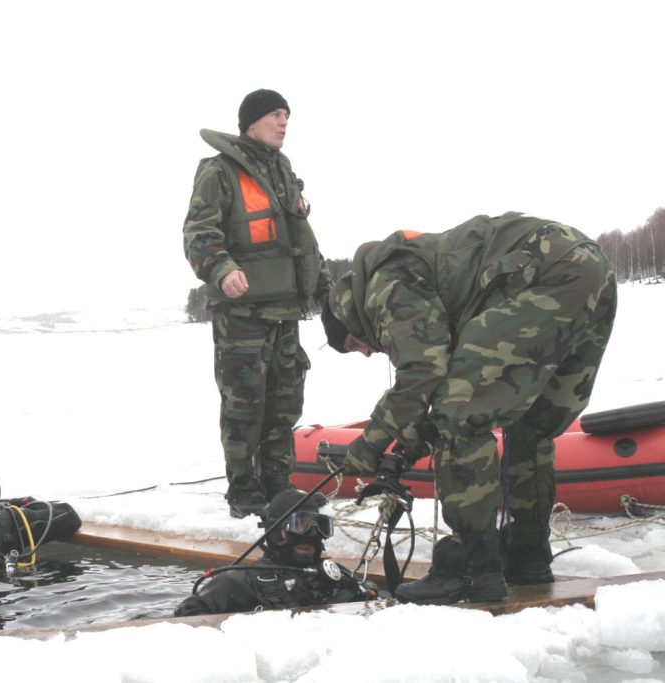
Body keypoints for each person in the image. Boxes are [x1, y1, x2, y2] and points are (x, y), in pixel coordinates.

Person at [322, 212, 617, 605]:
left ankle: (472, 569)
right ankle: (528, 555)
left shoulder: (382, 286)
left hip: (538, 269)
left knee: (459, 418)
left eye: (356, 344)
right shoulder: (416, 270)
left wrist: (369, 446)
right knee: (530, 425)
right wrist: (412, 441)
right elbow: (450, 370)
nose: (368, 351)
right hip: (588, 267)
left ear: (349, 317)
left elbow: (425, 371)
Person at [182, 89, 332, 519]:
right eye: (275, 115)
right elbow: (198, 232)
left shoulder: (282, 171)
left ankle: (279, 486)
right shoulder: (219, 172)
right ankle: (244, 491)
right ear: (251, 122)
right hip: (243, 312)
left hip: (285, 311)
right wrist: (222, 268)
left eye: (287, 116)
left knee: (284, 402)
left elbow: (303, 243)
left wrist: (325, 291)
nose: (284, 123)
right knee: (245, 403)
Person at [174, 489, 376, 616]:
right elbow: (188, 615)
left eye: (319, 526)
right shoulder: (239, 581)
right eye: (300, 524)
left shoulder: (334, 576)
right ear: (275, 530)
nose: (311, 535)